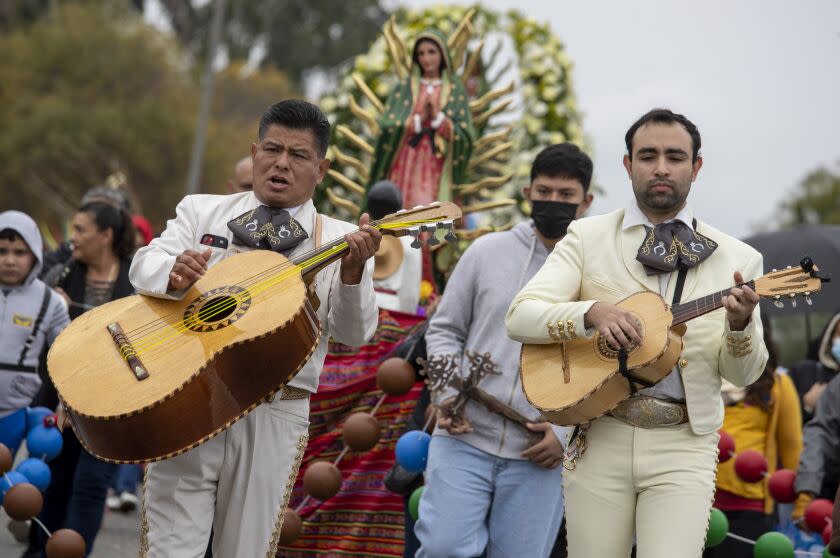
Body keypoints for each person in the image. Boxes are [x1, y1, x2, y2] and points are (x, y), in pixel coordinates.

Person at [506, 108, 768, 558]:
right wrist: (591, 312)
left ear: (696, 166)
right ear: (628, 165)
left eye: (675, 156)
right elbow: (520, 315)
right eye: (648, 156)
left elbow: (743, 376)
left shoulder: (738, 258)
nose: (661, 167)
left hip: (685, 444)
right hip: (599, 432)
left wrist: (740, 325)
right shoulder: (586, 236)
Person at [129, 99, 380, 557]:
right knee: (169, 549)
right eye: (272, 149)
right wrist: (173, 271)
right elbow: (144, 263)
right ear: (255, 151)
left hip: (275, 411)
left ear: (321, 168)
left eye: (299, 155)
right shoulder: (202, 211)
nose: (281, 163)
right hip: (190, 398)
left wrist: (353, 274)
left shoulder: (344, 239)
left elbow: (354, 332)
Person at [414, 143, 594, 558]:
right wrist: (445, 396)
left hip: (540, 455)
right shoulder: (485, 252)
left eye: (565, 196)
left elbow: (603, 367)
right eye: (544, 191)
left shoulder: (597, 272)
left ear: (585, 201)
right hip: (463, 435)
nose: (553, 202)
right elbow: (443, 330)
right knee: (442, 549)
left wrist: (566, 434)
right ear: (527, 193)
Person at [25, 199, 137, 558]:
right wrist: (49, 304)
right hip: (57, 399)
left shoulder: (135, 278)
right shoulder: (60, 274)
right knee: (53, 481)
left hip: (108, 404)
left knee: (90, 486)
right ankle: (41, 549)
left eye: (80, 230)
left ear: (105, 235)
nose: (73, 238)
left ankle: (73, 553)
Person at [705, 313, 802, 558]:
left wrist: (802, 504)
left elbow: (793, 448)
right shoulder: (700, 380)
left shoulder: (778, 384)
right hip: (698, 499)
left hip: (749, 509)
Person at [369, 29, 475, 210]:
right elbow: (388, 126)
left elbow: (466, 134)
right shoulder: (405, 87)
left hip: (436, 165)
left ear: (442, 54)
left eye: (431, 52)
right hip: (405, 160)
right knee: (401, 208)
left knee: (426, 208)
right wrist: (418, 120)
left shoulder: (454, 89)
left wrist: (439, 120)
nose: (426, 58)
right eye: (421, 53)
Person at [0, 211, 70, 455]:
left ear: (35, 254)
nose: (10, 260)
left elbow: (67, 357)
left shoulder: (50, 301)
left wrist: (66, 403)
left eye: (19, 252)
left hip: (15, 410)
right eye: (2, 251)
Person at [367, 180, 422, 314]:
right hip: (392, 313)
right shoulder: (410, 245)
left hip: (360, 307)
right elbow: (410, 295)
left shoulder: (358, 237)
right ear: (398, 210)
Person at [789, 312, 840, 423]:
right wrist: (806, 403)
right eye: (839, 333)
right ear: (830, 338)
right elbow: (778, 416)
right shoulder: (802, 372)